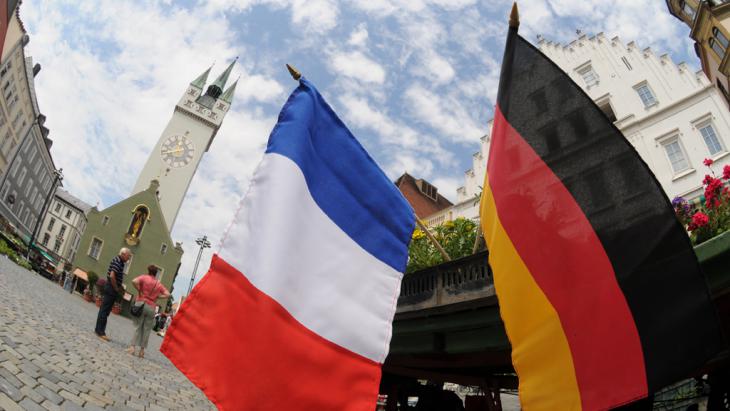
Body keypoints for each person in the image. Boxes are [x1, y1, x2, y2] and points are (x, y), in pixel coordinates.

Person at [126, 265, 170, 358]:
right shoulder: (158, 284)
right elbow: (167, 294)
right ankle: (142, 351)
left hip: (141, 303)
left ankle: (132, 348)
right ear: (156, 273)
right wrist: (158, 296)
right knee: (147, 329)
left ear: (148, 271)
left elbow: (134, 281)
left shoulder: (144, 277)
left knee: (137, 326)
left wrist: (139, 290)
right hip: (151, 307)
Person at [94, 247, 132, 341]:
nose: (129, 258)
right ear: (123, 254)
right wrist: (116, 288)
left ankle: (98, 329)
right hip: (111, 288)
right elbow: (112, 276)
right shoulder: (118, 261)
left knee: (104, 309)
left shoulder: (120, 262)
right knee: (105, 310)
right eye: (128, 256)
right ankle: (101, 332)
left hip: (111, 287)